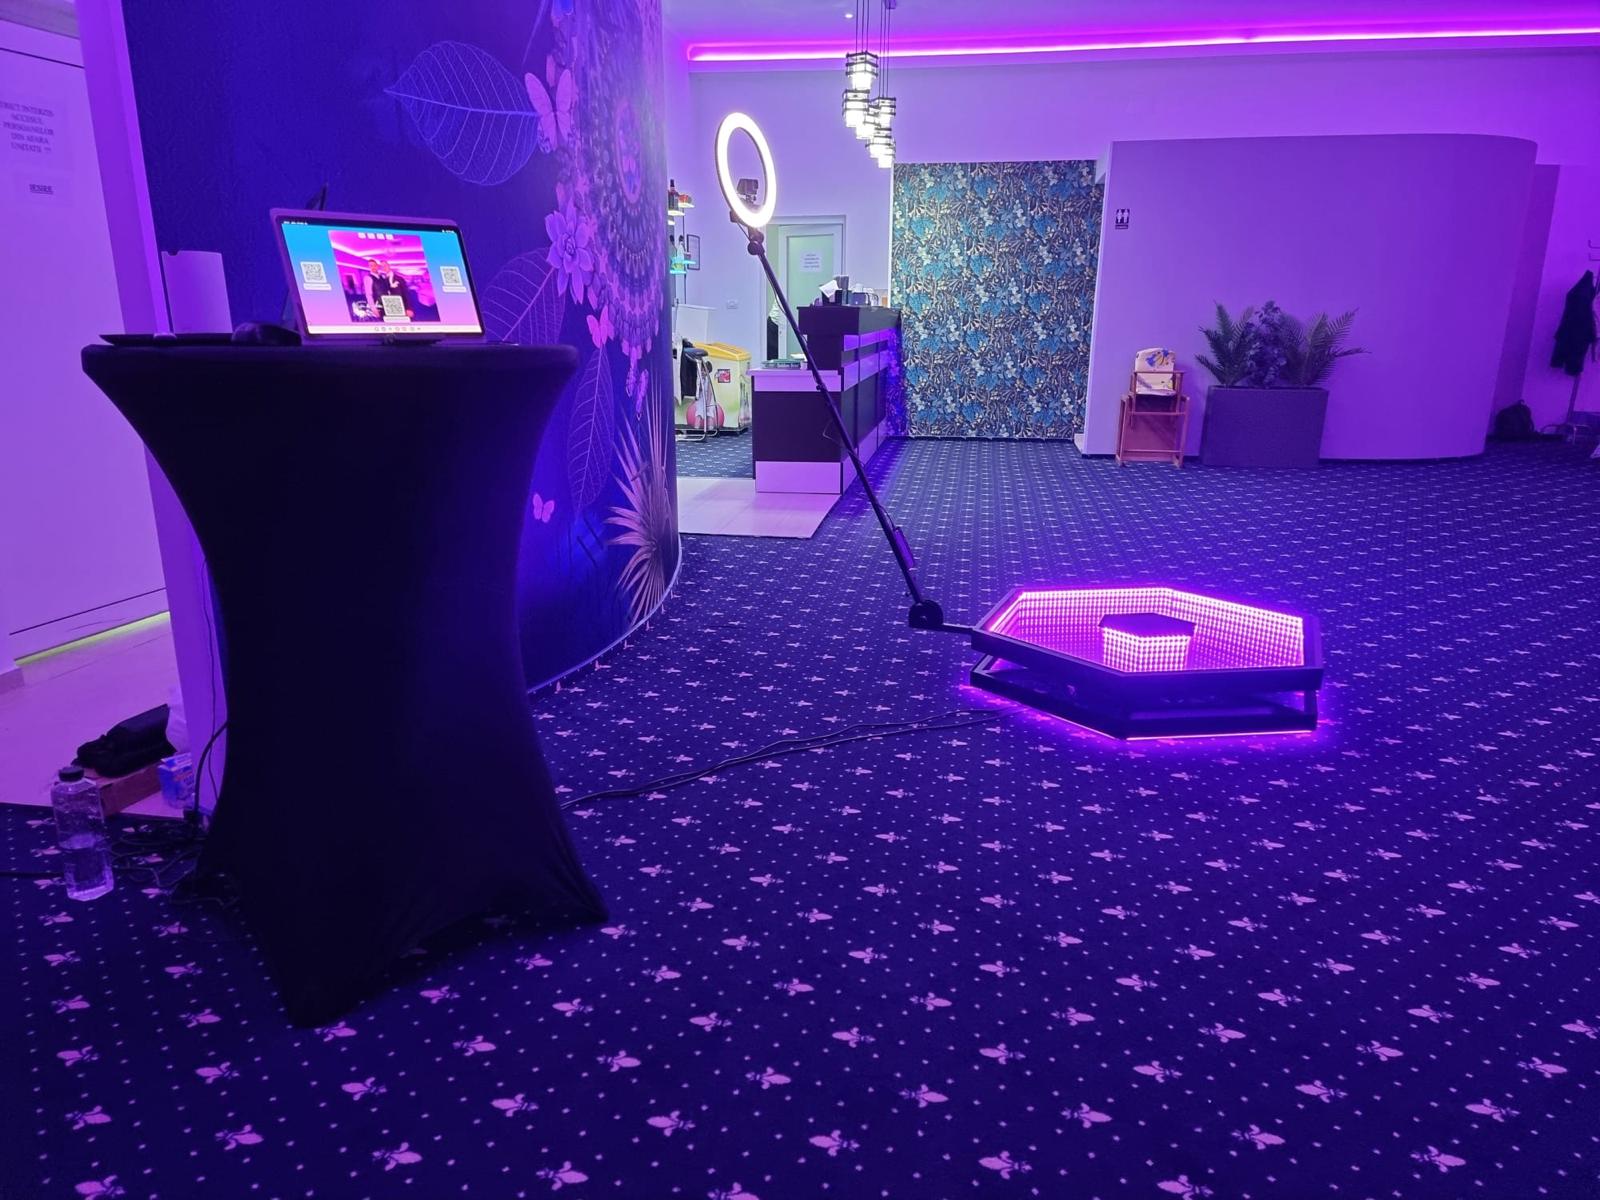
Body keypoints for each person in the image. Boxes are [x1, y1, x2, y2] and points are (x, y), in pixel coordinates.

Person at [367, 257, 417, 321]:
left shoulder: (399, 279)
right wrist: (374, 308)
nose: (384, 268)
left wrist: (409, 308)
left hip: (403, 307)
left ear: (389, 266)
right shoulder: (383, 279)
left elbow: (406, 294)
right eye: (382, 267)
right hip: (390, 309)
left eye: (385, 265)